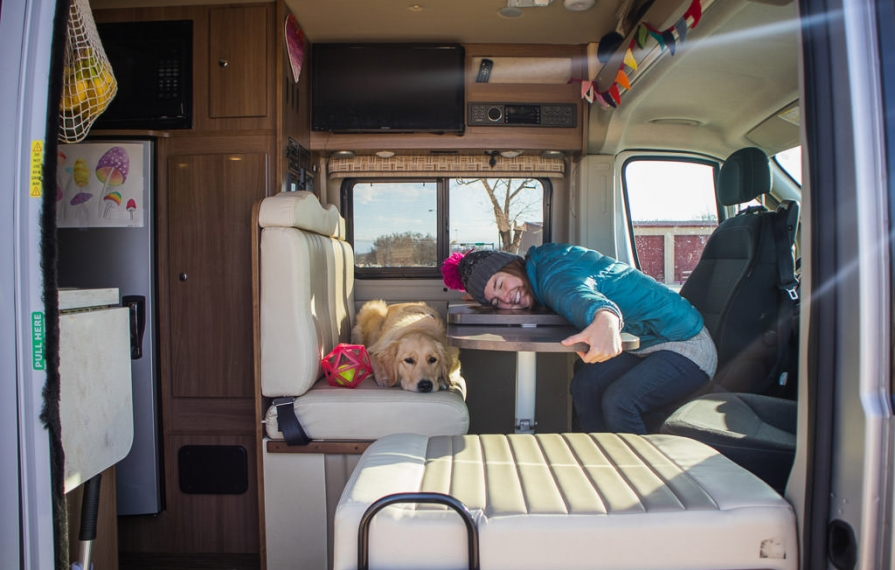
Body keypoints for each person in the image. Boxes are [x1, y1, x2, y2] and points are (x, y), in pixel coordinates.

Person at [441, 243, 717, 434]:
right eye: (495, 299)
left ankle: (639, 477)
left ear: (513, 265)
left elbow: (576, 293)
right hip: (647, 343)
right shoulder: (536, 269)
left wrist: (604, 318)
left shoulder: (553, 273)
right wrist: (481, 293)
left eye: (502, 284)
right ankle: (598, 458)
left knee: (620, 401)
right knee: (585, 385)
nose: (505, 298)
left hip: (685, 343)